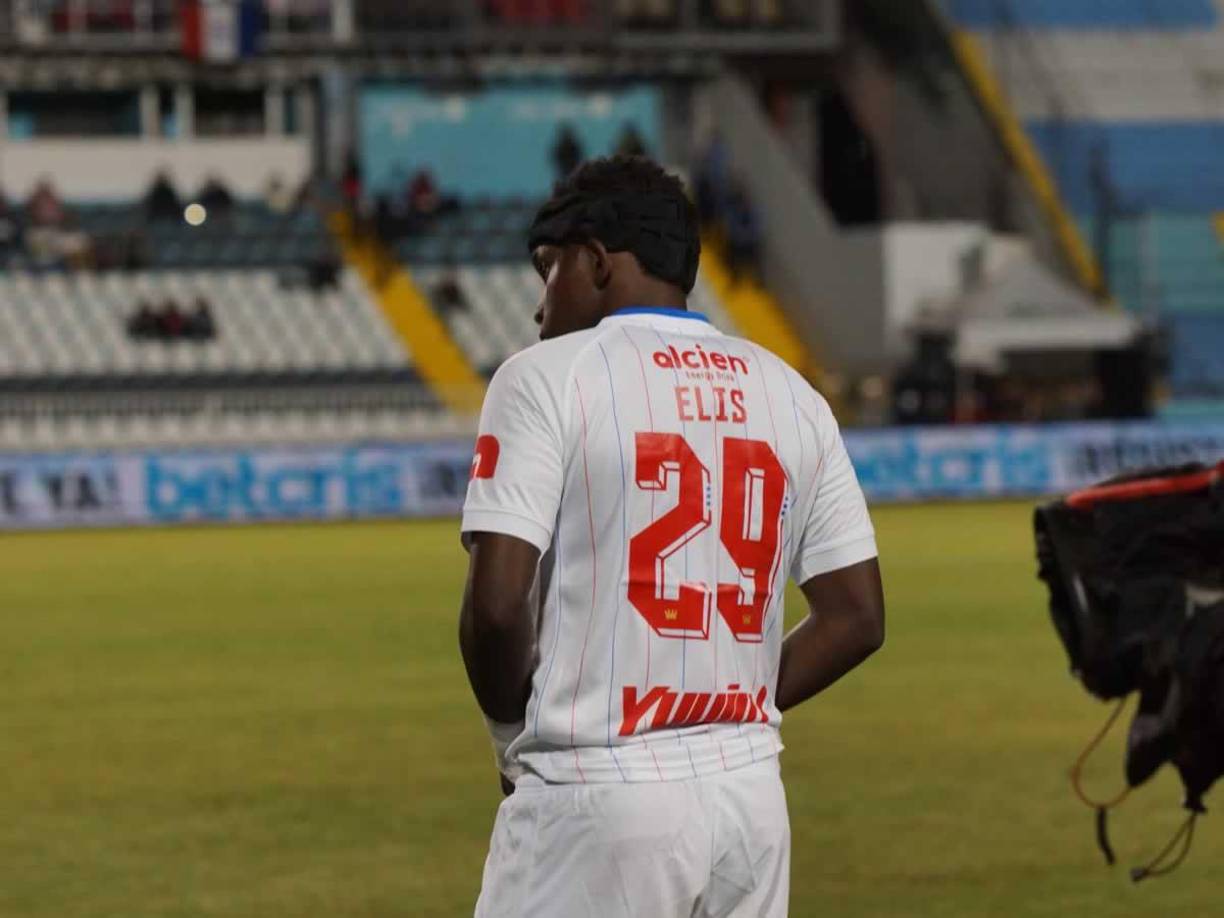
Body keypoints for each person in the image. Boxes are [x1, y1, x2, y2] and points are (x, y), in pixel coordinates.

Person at [458, 155, 885, 917]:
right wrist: (730, 704)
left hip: (598, 794)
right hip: (748, 798)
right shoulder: (792, 392)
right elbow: (857, 615)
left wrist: (509, 735)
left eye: (546, 269)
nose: (538, 307)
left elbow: (495, 608)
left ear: (594, 260)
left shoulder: (546, 375)